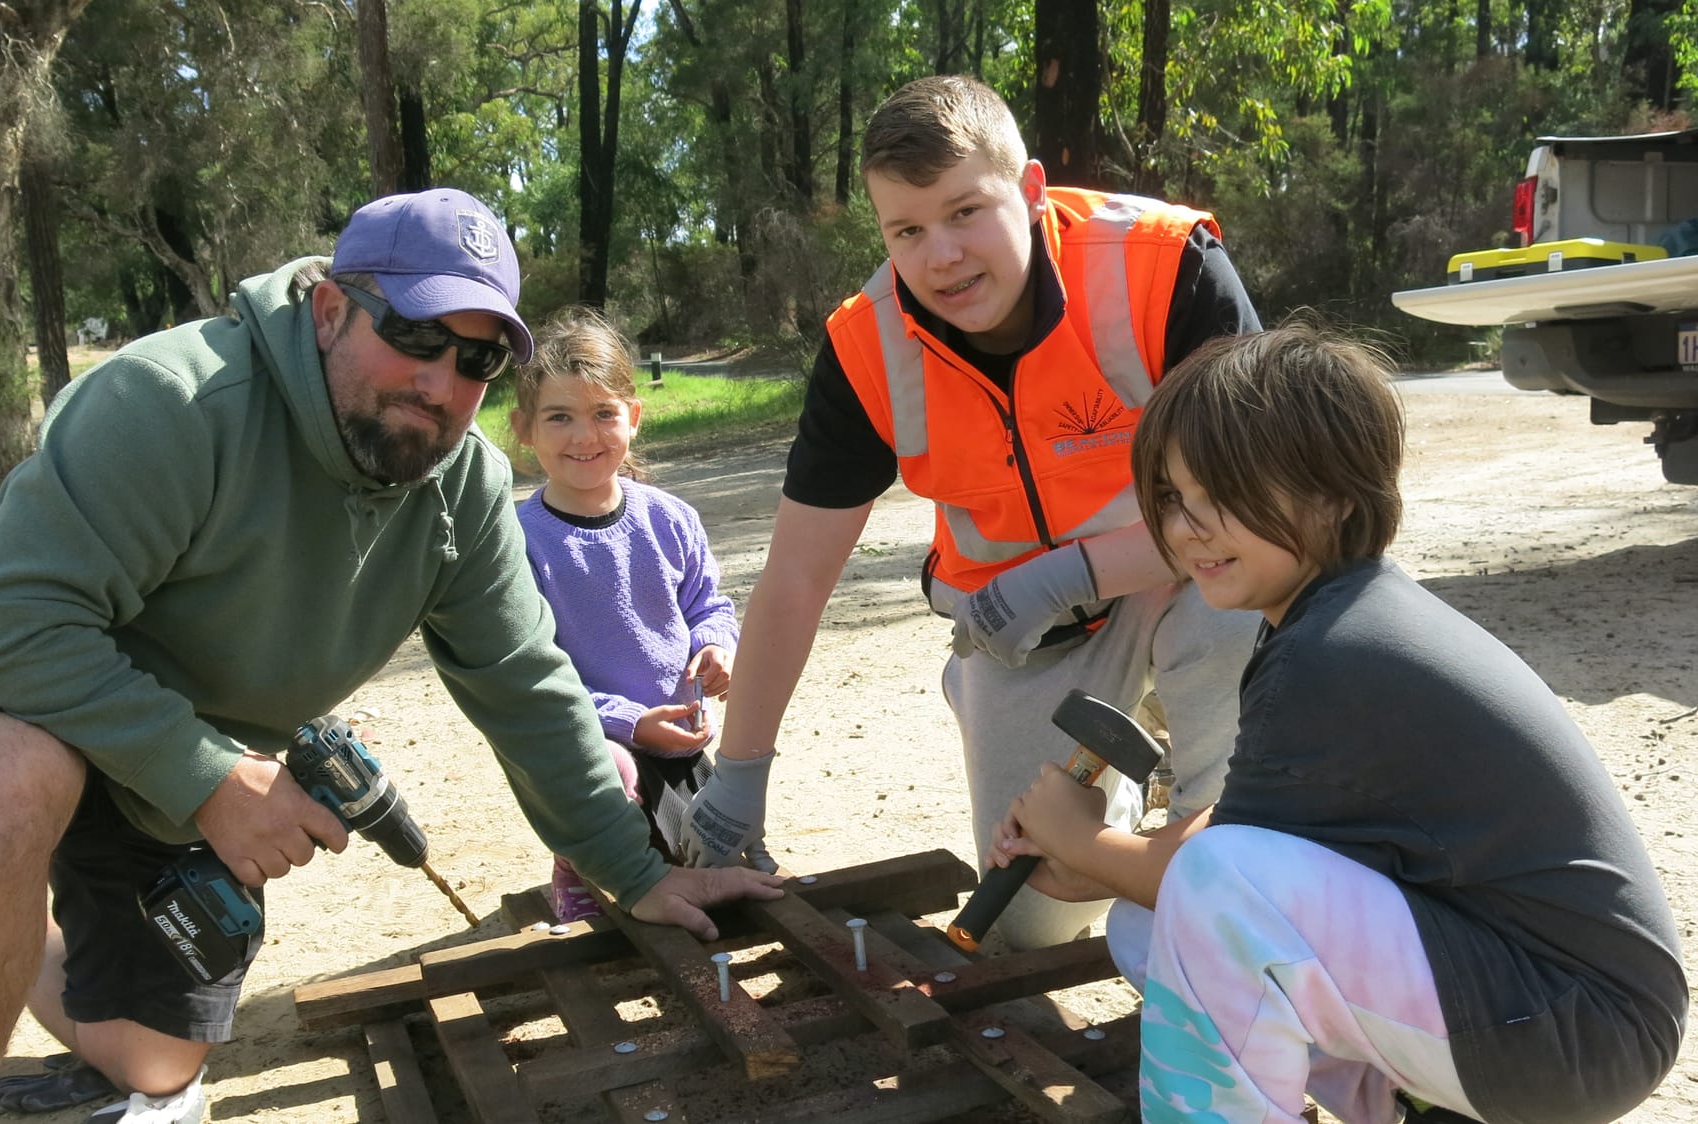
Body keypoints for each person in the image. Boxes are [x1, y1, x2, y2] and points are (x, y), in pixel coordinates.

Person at [0, 188, 782, 1124]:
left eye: (477, 359)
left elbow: (525, 684)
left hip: (174, 747)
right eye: (415, 335)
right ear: (330, 310)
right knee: (14, 784)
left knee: (155, 1063)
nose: (441, 384)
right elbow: (2, 623)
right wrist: (209, 778)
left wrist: (638, 874)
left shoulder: (464, 485)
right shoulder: (171, 400)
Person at [989, 324, 1687, 1123]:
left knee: (1213, 893)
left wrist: (1080, 838)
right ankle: (1403, 1105)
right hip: (1551, 1007)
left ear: (1336, 494)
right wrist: (1088, 865)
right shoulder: (1336, 614)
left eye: (1223, 493)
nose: (1186, 527)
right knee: (1152, 924)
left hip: (1578, 1031)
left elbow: (1225, 875)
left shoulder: (1333, 654)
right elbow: (1245, 826)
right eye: (1172, 497)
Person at [679, 74, 1262, 950]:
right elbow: (795, 576)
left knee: (1237, 624)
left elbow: (1263, 504)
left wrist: (1070, 573)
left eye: (965, 212)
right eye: (907, 231)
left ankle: (1216, 825)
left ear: (1030, 190)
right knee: (1034, 921)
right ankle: (1107, 794)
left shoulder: (1165, 266)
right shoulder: (866, 344)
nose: (941, 256)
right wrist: (739, 773)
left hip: (1189, 583)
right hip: (1027, 637)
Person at [507, 307, 740, 921]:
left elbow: (709, 603)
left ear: (633, 418)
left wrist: (716, 645)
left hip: (680, 732)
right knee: (617, 787)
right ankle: (577, 860)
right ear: (524, 428)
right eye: (559, 417)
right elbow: (534, 676)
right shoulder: (519, 543)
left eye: (603, 414)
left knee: (710, 859)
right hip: (593, 741)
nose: (584, 436)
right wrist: (631, 723)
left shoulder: (670, 517)